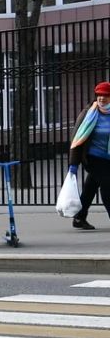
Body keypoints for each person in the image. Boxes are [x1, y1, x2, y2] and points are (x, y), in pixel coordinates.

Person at [69, 81, 110, 230]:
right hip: (92, 157)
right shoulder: (89, 113)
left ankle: (79, 217)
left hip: (108, 157)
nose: (101, 98)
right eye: (99, 95)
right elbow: (77, 138)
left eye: (105, 95)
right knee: (107, 186)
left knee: (90, 186)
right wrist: (73, 164)